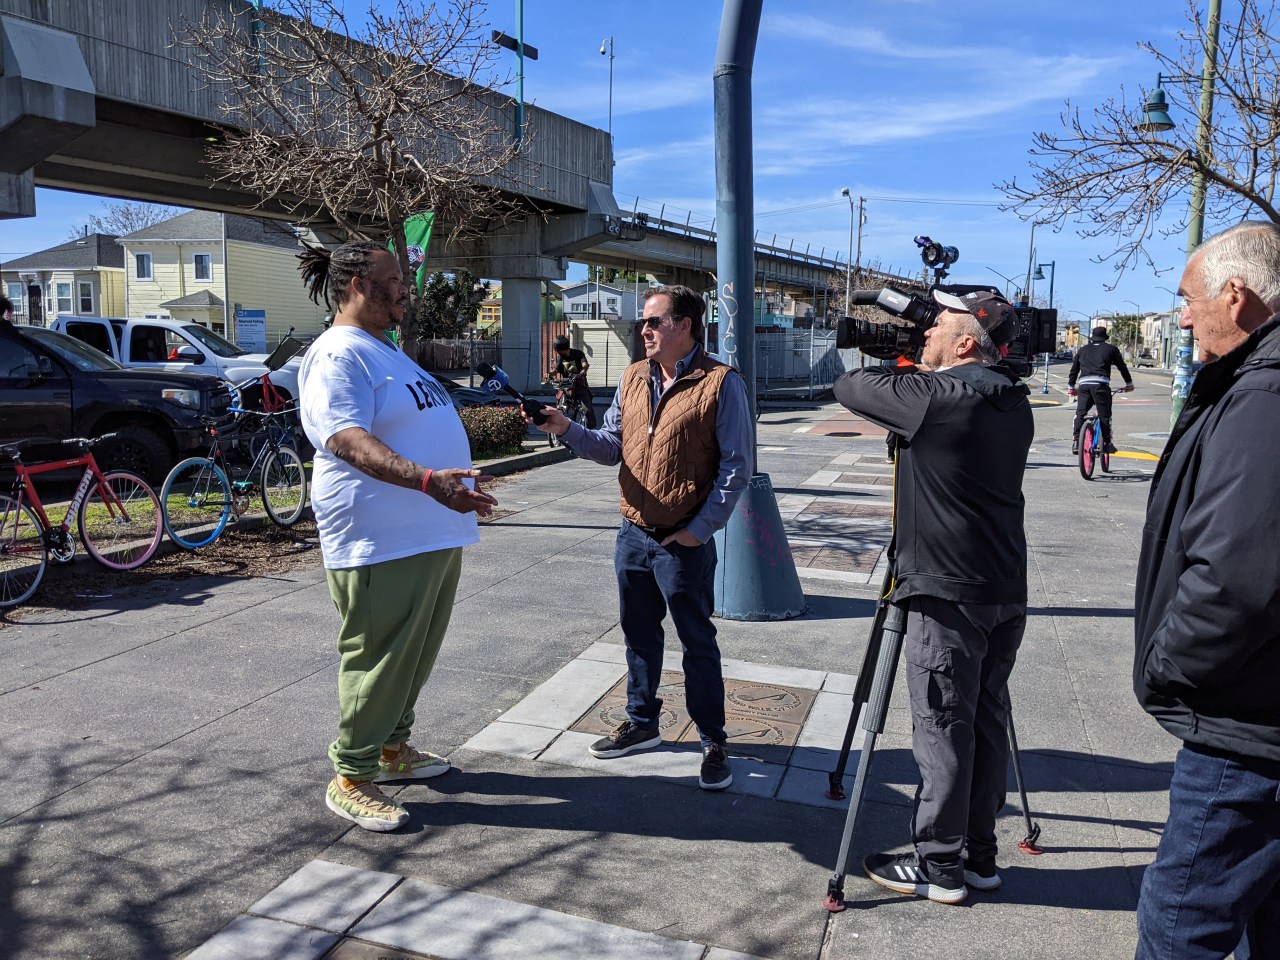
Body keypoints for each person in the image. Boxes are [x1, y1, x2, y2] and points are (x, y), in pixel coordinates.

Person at [833, 285, 1033, 906]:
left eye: (937, 325)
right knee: (985, 721)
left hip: (945, 591)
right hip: (1003, 587)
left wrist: (900, 357)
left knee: (942, 726)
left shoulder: (938, 399)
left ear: (966, 343)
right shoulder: (1012, 399)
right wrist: (922, 350)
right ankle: (979, 856)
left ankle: (940, 865)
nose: (925, 333)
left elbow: (849, 386)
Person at [296, 240, 498, 833]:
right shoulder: (338, 353)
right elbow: (345, 439)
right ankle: (351, 775)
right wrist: (430, 481)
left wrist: (447, 486)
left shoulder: (383, 349)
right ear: (359, 284)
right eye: (393, 279)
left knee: (413, 652)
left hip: (427, 530)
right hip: (379, 536)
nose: (406, 288)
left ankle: (391, 748)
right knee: (379, 655)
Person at [530, 284, 752, 791]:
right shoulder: (633, 377)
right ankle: (642, 723)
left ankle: (713, 740)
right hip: (632, 534)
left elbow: (737, 467)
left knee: (697, 642)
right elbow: (612, 446)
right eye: (643, 324)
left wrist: (698, 531)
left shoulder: (721, 383)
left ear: (685, 325)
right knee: (638, 635)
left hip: (682, 541)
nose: (644, 331)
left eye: (653, 322)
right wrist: (564, 427)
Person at [1133, 221, 1280, 960]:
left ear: (1236, 294)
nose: (1183, 318)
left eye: (1189, 300)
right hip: (1258, 712)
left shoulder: (1264, 397)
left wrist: (1170, 665)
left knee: (1179, 925)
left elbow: (1236, 578)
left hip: (1244, 727)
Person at [1067, 326, 1134, 455]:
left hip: (1084, 385)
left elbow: (1074, 370)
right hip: (1100, 385)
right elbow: (1122, 367)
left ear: (1092, 337)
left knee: (1080, 412)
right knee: (1104, 415)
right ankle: (1107, 443)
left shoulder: (1083, 350)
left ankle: (1076, 440)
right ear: (1104, 338)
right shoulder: (1111, 349)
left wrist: (1071, 387)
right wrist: (1129, 383)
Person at [549, 334, 597, 428]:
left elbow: (585, 365)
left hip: (579, 384)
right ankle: (562, 423)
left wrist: (582, 372)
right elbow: (556, 371)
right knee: (560, 406)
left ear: (560, 349)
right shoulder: (561, 358)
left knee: (587, 409)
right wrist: (549, 374)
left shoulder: (578, 354)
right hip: (566, 386)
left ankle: (590, 429)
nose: (557, 352)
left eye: (557, 350)